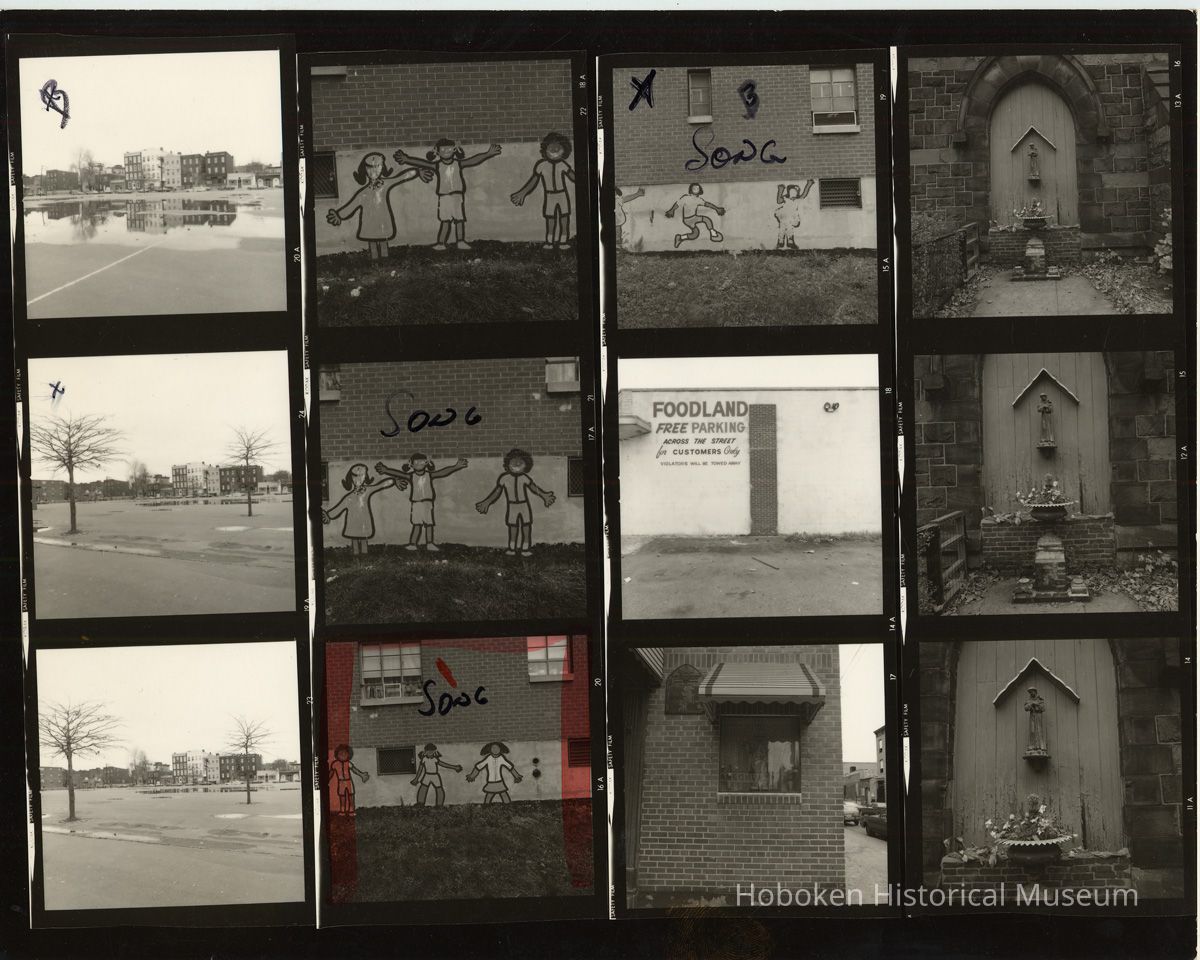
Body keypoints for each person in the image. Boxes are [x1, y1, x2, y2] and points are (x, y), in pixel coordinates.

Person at [394, 138, 502, 250]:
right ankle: (441, 243)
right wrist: (406, 159)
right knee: (445, 221)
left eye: (449, 148)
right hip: (444, 196)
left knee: (459, 220)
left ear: (454, 149)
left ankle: (460, 241)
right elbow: (423, 163)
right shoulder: (437, 165)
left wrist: (488, 154)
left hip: (457, 196)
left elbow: (474, 160)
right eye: (443, 149)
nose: (446, 151)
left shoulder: (458, 163)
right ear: (437, 151)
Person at [325, 151, 432, 260]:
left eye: (377, 167)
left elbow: (401, 177)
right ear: (364, 170)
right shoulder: (363, 193)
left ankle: (384, 261)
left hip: (383, 220)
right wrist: (338, 215)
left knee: (383, 240)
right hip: (369, 222)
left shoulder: (385, 184)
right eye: (369, 168)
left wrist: (417, 171)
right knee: (372, 242)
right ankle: (375, 262)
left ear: (382, 168)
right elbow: (351, 206)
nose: (373, 171)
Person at [375, 453, 468, 551]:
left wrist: (456, 467)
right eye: (416, 462)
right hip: (416, 503)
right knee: (417, 524)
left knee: (429, 524)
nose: (419, 463)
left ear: (426, 463)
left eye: (422, 461)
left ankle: (430, 543)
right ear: (411, 464)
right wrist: (385, 470)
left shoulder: (429, 474)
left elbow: (443, 472)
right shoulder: (411, 476)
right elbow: (399, 473)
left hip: (427, 503)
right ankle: (413, 544)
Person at [474, 447, 556, 556]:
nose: (517, 465)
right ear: (507, 464)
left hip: (524, 505)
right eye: (513, 462)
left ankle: (525, 548)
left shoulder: (524, 478)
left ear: (526, 465)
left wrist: (544, 495)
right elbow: (497, 493)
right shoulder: (504, 478)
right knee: (513, 526)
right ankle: (512, 548)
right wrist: (487, 502)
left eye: (520, 462)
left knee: (526, 526)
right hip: (512, 506)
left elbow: (534, 488)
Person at [510, 131, 576, 249]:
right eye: (551, 148)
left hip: (562, 194)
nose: (554, 151)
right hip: (549, 196)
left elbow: (573, 177)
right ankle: (550, 241)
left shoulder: (563, 165)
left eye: (558, 148)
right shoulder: (541, 165)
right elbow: (533, 181)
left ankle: (563, 241)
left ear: (564, 150)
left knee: (564, 217)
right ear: (545, 149)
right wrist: (523, 193)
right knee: (550, 218)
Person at [322, 463, 397, 558]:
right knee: (354, 538)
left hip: (364, 520)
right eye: (355, 477)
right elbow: (339, 508)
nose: (358, 479)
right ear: (350, 478)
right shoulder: (349, 497)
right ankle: (356, 555)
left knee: (363, 537)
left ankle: (364, 555)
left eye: (361, 476)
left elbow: (380, 485)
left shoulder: (367, 490)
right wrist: (328, 515)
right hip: (352, 521)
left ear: (365, 477)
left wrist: (393, 480)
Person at [666, 183, 725, 247]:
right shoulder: (686, 197)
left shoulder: (699, 200)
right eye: (694, 188)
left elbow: (707, 204)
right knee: (704, 222)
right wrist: (671, 210)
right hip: (687, 219)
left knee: (696, 233)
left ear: (700, 190)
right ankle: (713, 234)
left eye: (697, 188)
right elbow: (677, 204)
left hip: (694, 217)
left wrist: (717, 208)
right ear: (691, 189)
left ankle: (680, 238)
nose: (696, 189)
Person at [773, 180, 815, 249]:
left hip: (791, 216)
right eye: (791, 192)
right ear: (788, 192)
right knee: (782, 228)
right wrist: (780, 190)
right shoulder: (786, 199)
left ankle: (789, 242)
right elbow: (778, 201)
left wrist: (808, 185)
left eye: (795, 192)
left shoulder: (797, 200)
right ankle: (781, 241)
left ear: (797, 193)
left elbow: (804, 194)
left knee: (788, 227)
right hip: (784, 215)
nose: (793, 194)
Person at [329, 744, 369, 817]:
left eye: (345, 753)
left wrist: (362, 774)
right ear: (337, 754)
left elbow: (354, 770)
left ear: (349, 754)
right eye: (340, 754)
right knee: (342, 797)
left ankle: (351, 810)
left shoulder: (348, 763)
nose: (343, 755)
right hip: (341, 782)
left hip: (348, 782)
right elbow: (331, 773)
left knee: (350, 796)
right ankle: (342, 810)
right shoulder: (335, 764)